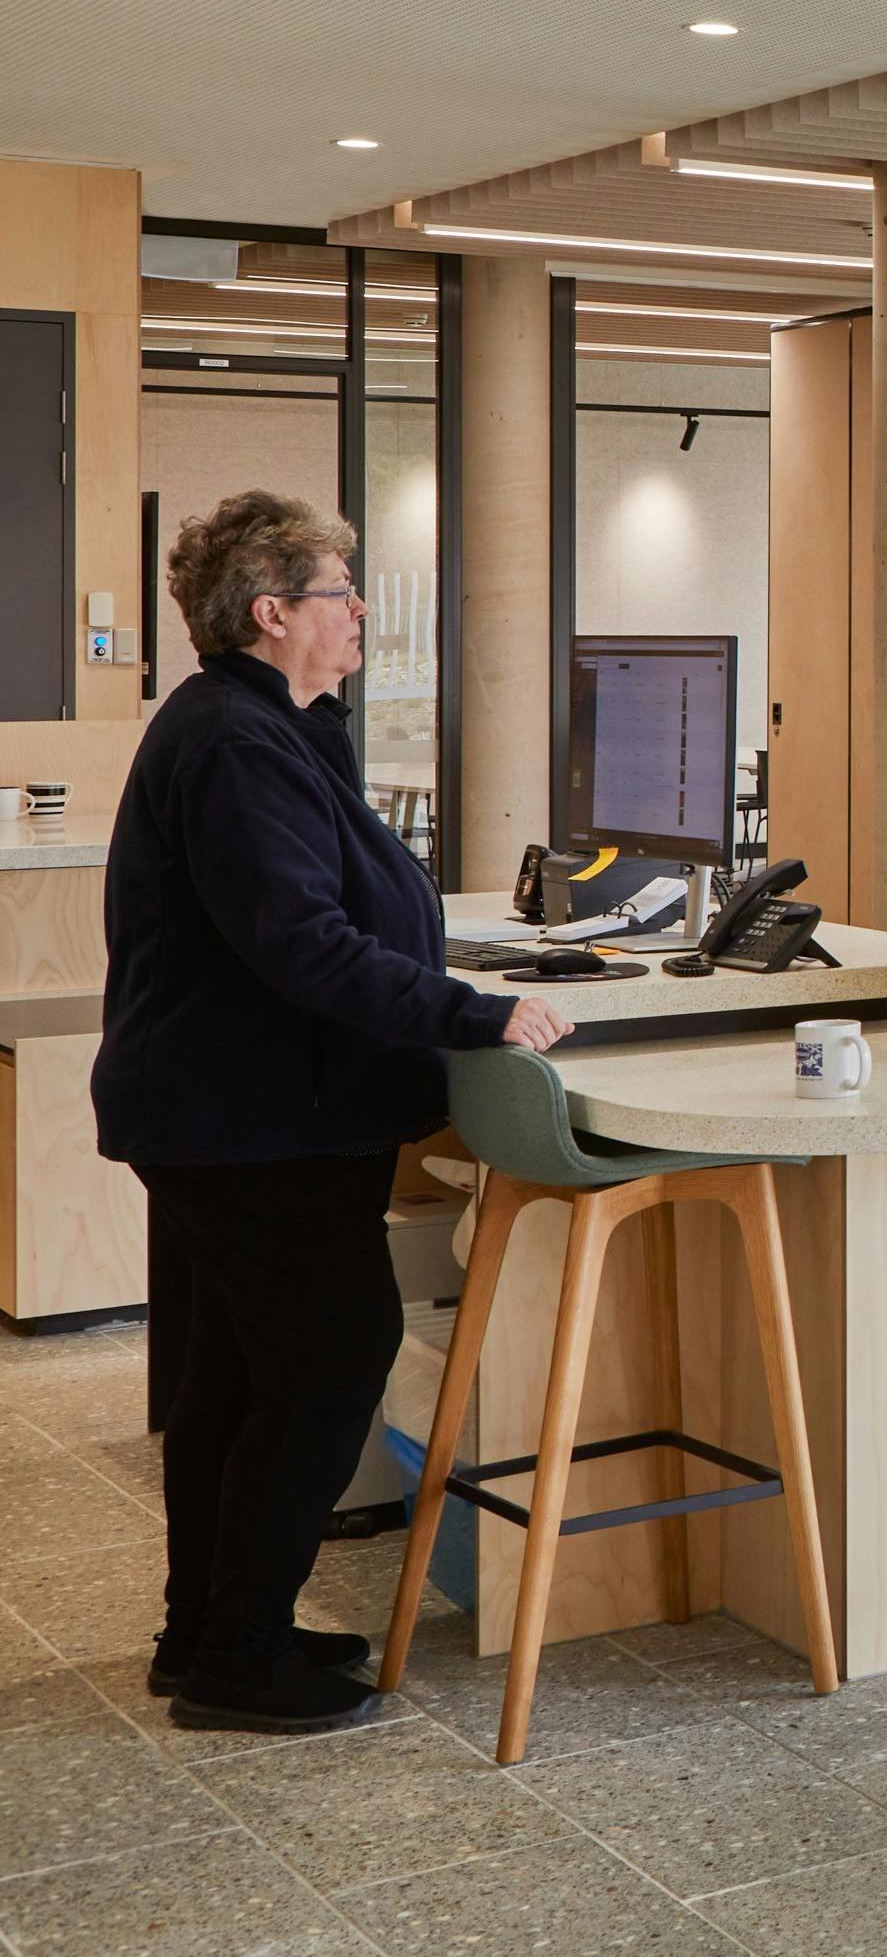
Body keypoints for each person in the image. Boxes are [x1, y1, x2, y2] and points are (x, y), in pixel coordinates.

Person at [95, 493, 571, 1733]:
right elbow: (299, 942)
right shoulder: (236, 744)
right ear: (272, 613)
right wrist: (470, 1012)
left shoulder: (274, 727)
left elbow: (330, 913)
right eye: (340, 594)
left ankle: (207, 1630)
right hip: (250, 1120)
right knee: (327, 1358)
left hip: (243, 1113)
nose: (359, 612)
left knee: (241, 1374)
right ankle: (239, 1659)